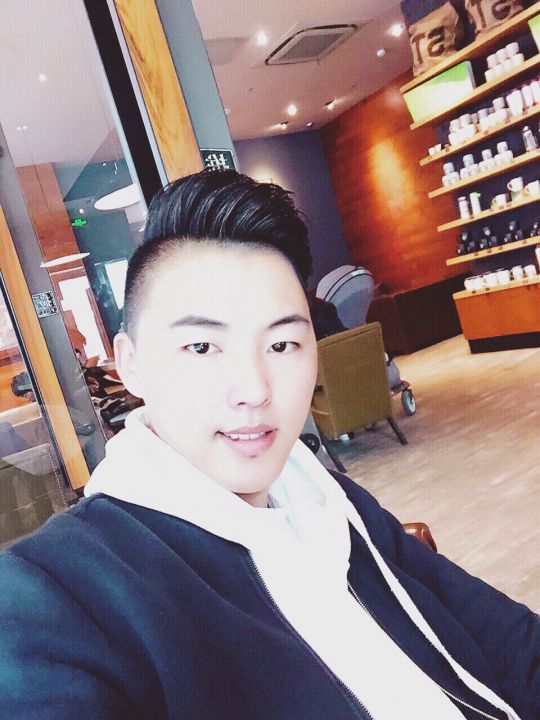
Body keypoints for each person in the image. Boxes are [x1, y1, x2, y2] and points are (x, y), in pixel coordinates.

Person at [0, 170, 537, 720]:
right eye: (202, 346)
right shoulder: (57, 597)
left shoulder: (329, 499)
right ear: (130, 363)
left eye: (282, 344)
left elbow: (503, 635)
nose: (255, 389)